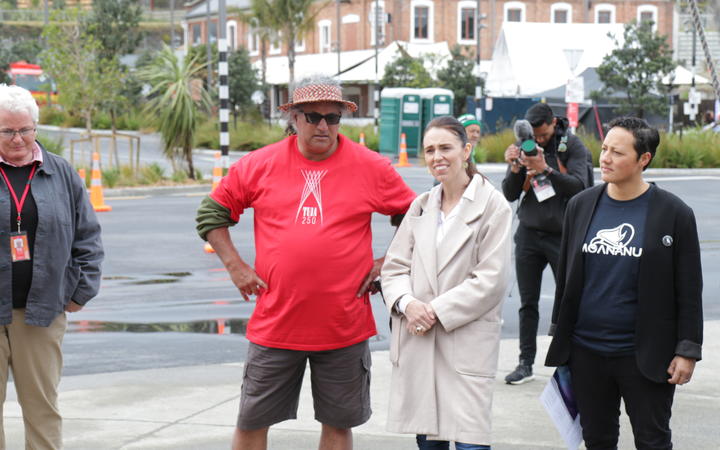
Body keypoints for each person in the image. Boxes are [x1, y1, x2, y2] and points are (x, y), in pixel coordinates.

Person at [195, 75, 415, 450]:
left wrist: (388, 263)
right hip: (277, 323)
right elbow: (210, 214)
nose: (323, 125)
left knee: (338, 424)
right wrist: (236, 267)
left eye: (333, 117)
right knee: (251, 421)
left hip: (342, 325)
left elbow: (415, 215)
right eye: (312, 116)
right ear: (294, 118)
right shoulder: (259, 165)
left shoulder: (370, 166)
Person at [545, 117, 703, 449]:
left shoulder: (673, 213)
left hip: (645, 355)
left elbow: (689, 289)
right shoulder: (581, 205)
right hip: (586, 351)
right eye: (604, 149)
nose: (605, 158)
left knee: (653, 440)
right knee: (597, 440)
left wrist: (687, 350)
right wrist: (561, 332)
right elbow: (567, 277)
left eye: (617, 152)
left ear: (643, 159)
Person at [382, 116, 512, 449]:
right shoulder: (421, 206)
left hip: (464, 340)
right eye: (429, 150)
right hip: (421, 342)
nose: (437, 156)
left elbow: (491, 280)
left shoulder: (492, 206)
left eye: (445, 148)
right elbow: (394, 268)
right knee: (429, 442)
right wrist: (408, 304)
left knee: (470, 441)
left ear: (466, 150)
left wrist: (433, 311)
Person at [0, 84, 103, 448]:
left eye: (25, 129)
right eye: (8, 131)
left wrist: (80, 292)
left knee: (43, 411)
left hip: (41, 312)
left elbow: (88, 236)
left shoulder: (61, 173)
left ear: (36, 127)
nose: (18, 139)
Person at [501, 102, 592, 385]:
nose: (538, 140)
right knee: (527, 303)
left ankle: (565, 362)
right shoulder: (524, 144)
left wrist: (546, 168)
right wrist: (516, 168)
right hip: (528, 233)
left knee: (567, 300)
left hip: (561, 234)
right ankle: (525, 363)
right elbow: (509, 193)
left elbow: (582, 187)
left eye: (542, 135)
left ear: (553, 123)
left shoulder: (572, 146)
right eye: (534, 136)